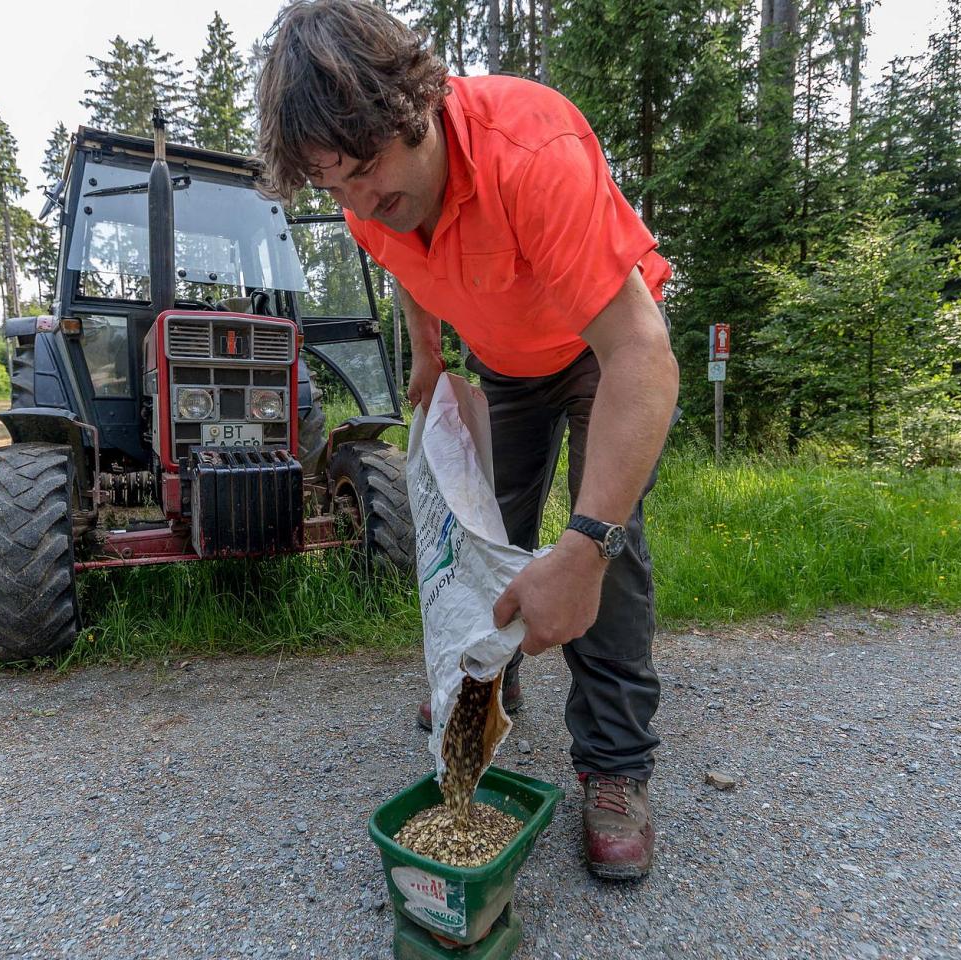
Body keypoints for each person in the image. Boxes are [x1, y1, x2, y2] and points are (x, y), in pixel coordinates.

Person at [256, 0, 680, 881]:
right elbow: (408, 260)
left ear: (413, 105)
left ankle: (614, 766)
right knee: (488, 532)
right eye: (337, 189)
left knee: (604, 550)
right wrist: (427, 352)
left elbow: (640, 352)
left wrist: (587, 544)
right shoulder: (369, 198)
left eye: (368, 171)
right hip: (507, 362)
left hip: (601, 346)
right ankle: (491, 687)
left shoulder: (531, 152)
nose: (361, 205)